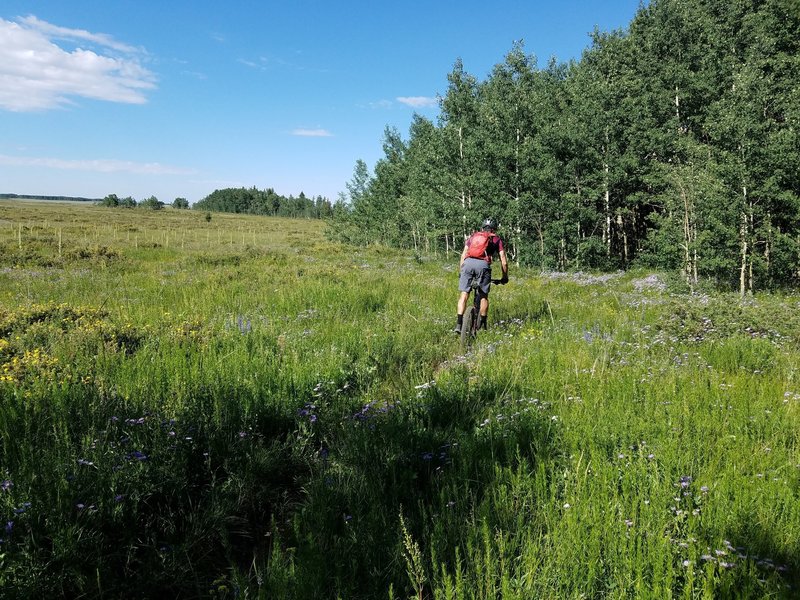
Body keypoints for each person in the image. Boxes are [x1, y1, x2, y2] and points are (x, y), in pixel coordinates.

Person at [454, 218, 508, 334]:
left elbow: (463, 254)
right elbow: (503, 260)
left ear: (482, 228)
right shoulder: (496, 239)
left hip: (467, 264)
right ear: (494, 229)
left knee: (464, 294)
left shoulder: (473, 237)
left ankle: (459, 323)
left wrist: (462, 271)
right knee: (483, 295)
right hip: (483, 266)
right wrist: (504, 276)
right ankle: (483, 325)